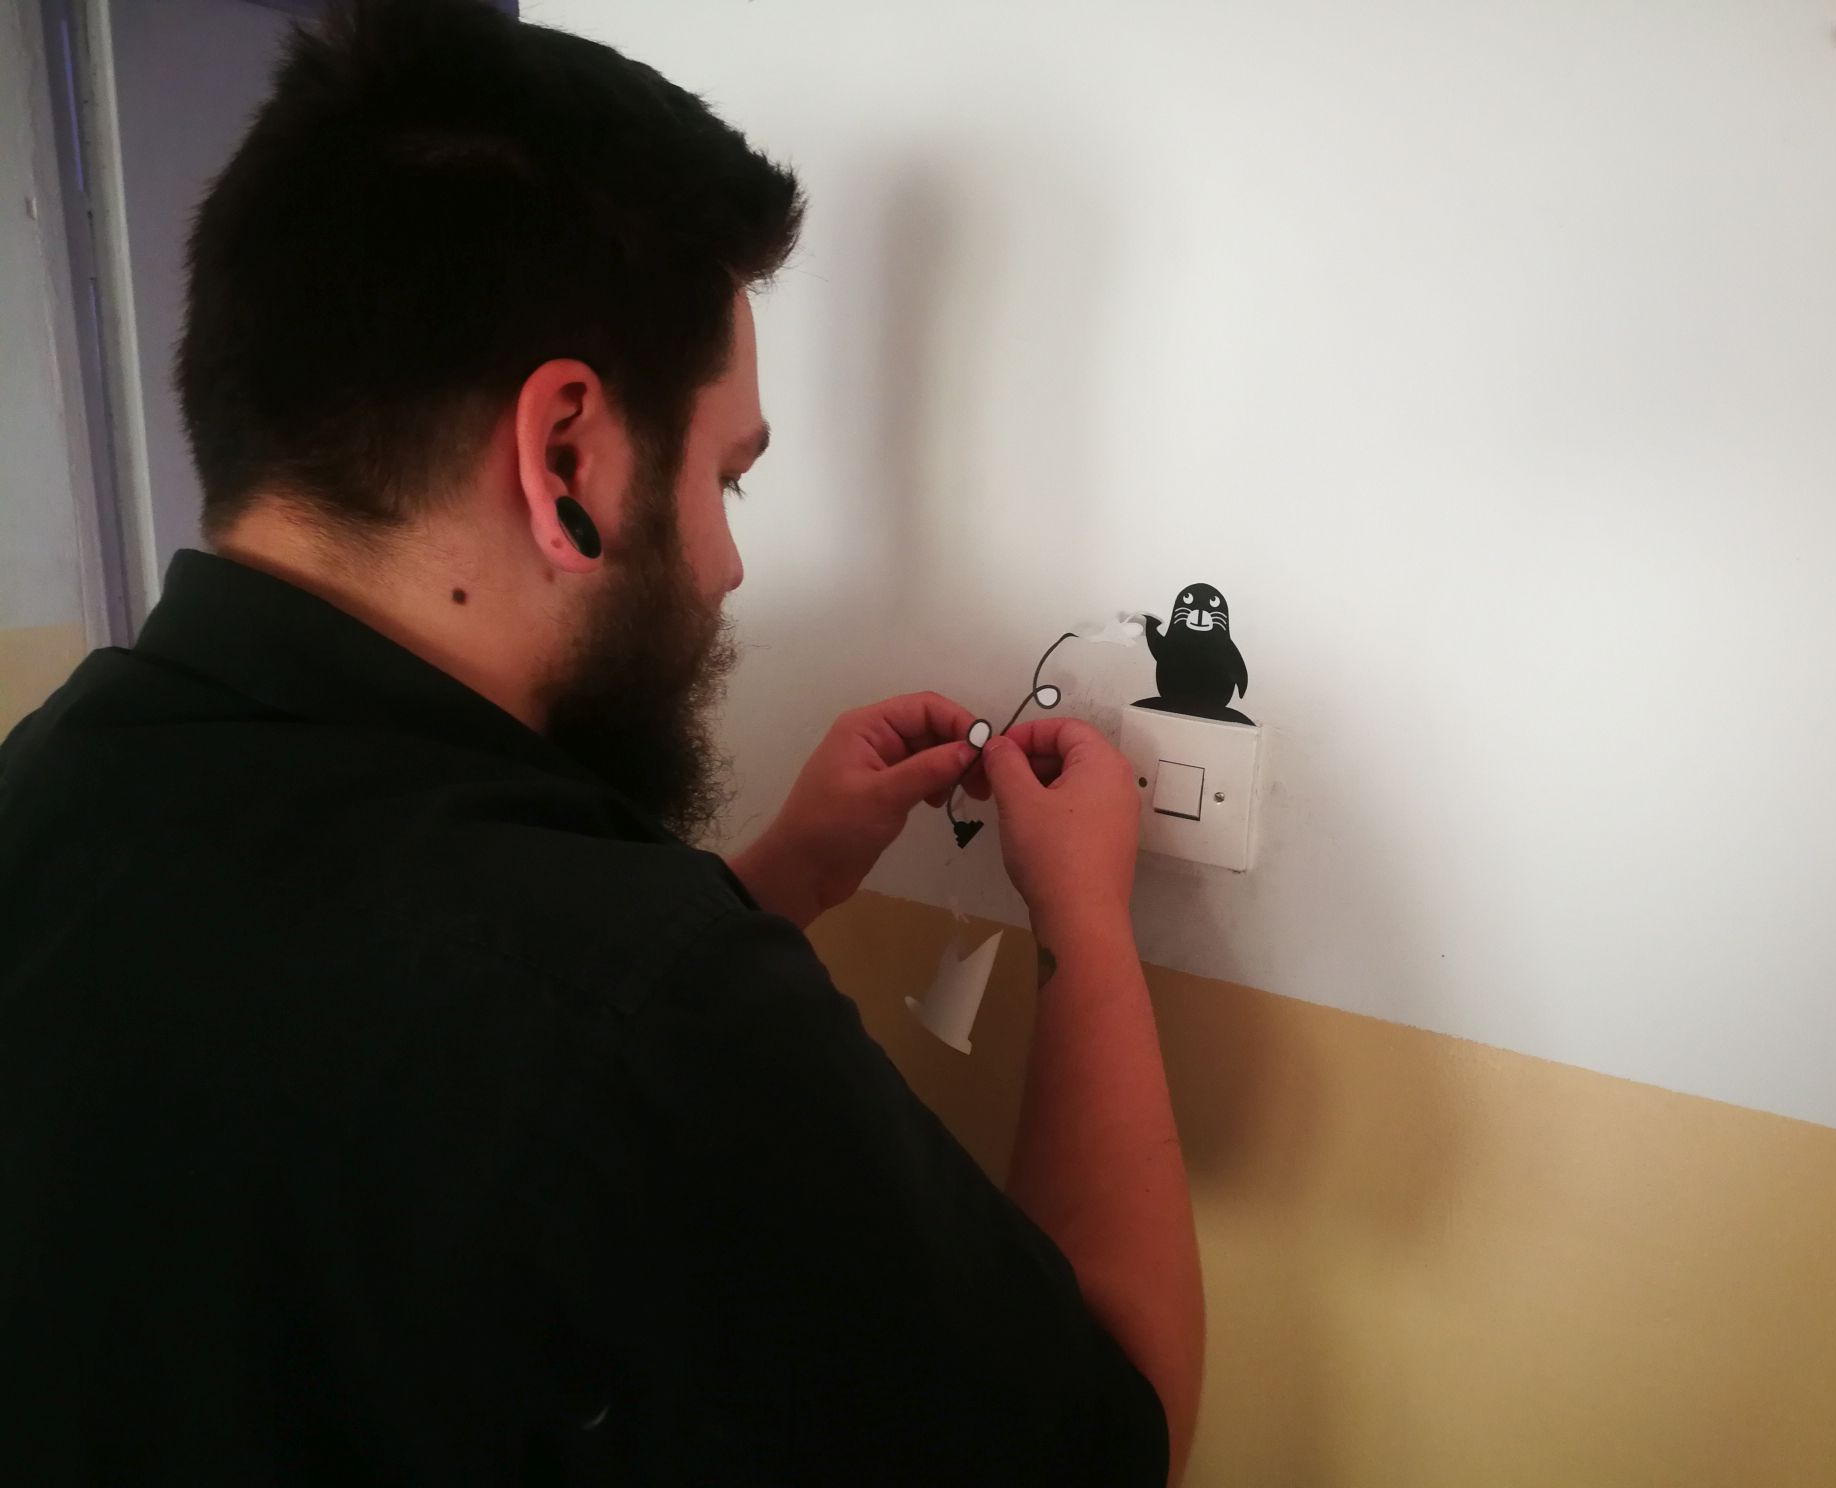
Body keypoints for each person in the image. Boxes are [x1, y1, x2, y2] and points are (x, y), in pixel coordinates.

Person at [0, 0, 1203, 1482]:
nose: (729, 566)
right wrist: (1086, 922)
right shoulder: (655, 1016)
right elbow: (1115, 1428)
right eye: (728, 478)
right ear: (565, 454)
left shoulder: (47, 783)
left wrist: (772, 881)